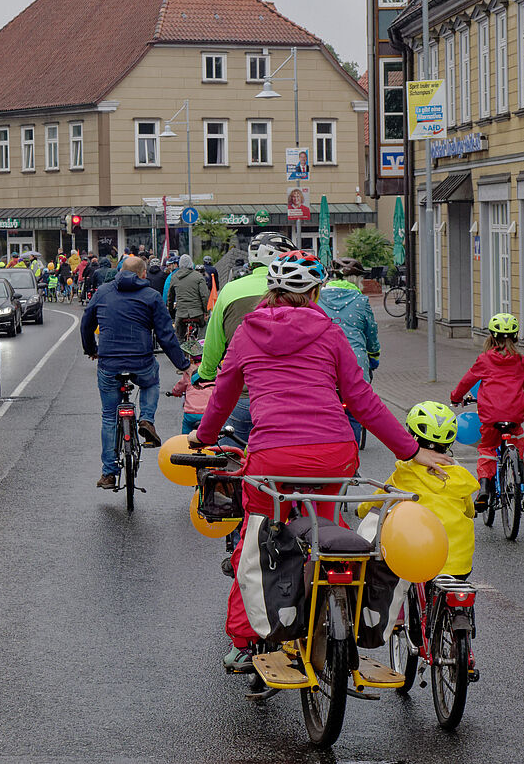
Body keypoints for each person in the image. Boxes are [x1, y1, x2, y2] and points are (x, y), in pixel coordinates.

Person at [190, 251, 452, 672]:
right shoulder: (329, 332)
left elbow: (222, 394)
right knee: (329, 530)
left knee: (255, 542)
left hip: (273, 457)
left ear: (270, 292)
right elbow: (361, 399)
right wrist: (411, 450)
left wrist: (202, 438)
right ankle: (338, 613)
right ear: (314, 292)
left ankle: (245, 639)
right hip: (332, 452)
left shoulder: (246, 333)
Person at [81, 256, 189, 489]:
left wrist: (92, 349)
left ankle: (109, 473)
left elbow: (86, 324)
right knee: (151, 381)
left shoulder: (102, 292)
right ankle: (147, 420)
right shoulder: (151, 296)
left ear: (120, 271)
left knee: (109, 416)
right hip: (141, 362)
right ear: (143, 274)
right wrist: (183, 365)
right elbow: (165, 335)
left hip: (109, 363)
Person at [196, 232, 296, 445]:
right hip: (287, 399)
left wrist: (205, 373)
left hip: (242, 395)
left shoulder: (230, 290)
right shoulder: (295, 291)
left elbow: (214, 342)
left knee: (225, 463)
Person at [358, 402, 477, 580]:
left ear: (411, 436)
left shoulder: (405, 473)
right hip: (459, 563)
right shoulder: (461, 476)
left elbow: (377, 501)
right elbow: (469, 511)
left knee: (402, 583)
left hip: (419, 559)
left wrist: (361, 510)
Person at [450, 313, 524, 510]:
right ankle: (518, 473)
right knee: (517, 437)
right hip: (514, 415)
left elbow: (467, 381)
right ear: (515, 337)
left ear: (491, 336)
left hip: (491, 416)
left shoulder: (485, 359)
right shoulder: (521, 361)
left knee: (487, 448)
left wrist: (455, 397)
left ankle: (484, 488)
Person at [318, 257, 381, 441]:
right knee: (354, 412)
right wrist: (374, 354)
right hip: (355, 364)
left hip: (324, 364)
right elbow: (371, 333)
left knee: (325, 411)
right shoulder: (361, 301)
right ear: (356, 280)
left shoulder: (318, 298)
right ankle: (351, 455)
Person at [168, 254, 210, 341]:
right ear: (191, 264)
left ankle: (180, 348)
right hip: (197, 313)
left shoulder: (174, 277)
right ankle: (201, 343)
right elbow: (204, 295)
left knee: (179, 336)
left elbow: (170, 297)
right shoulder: (198, 276)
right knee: (204, 326)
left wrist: (171, 311)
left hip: (181, 313)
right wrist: (206, 311)